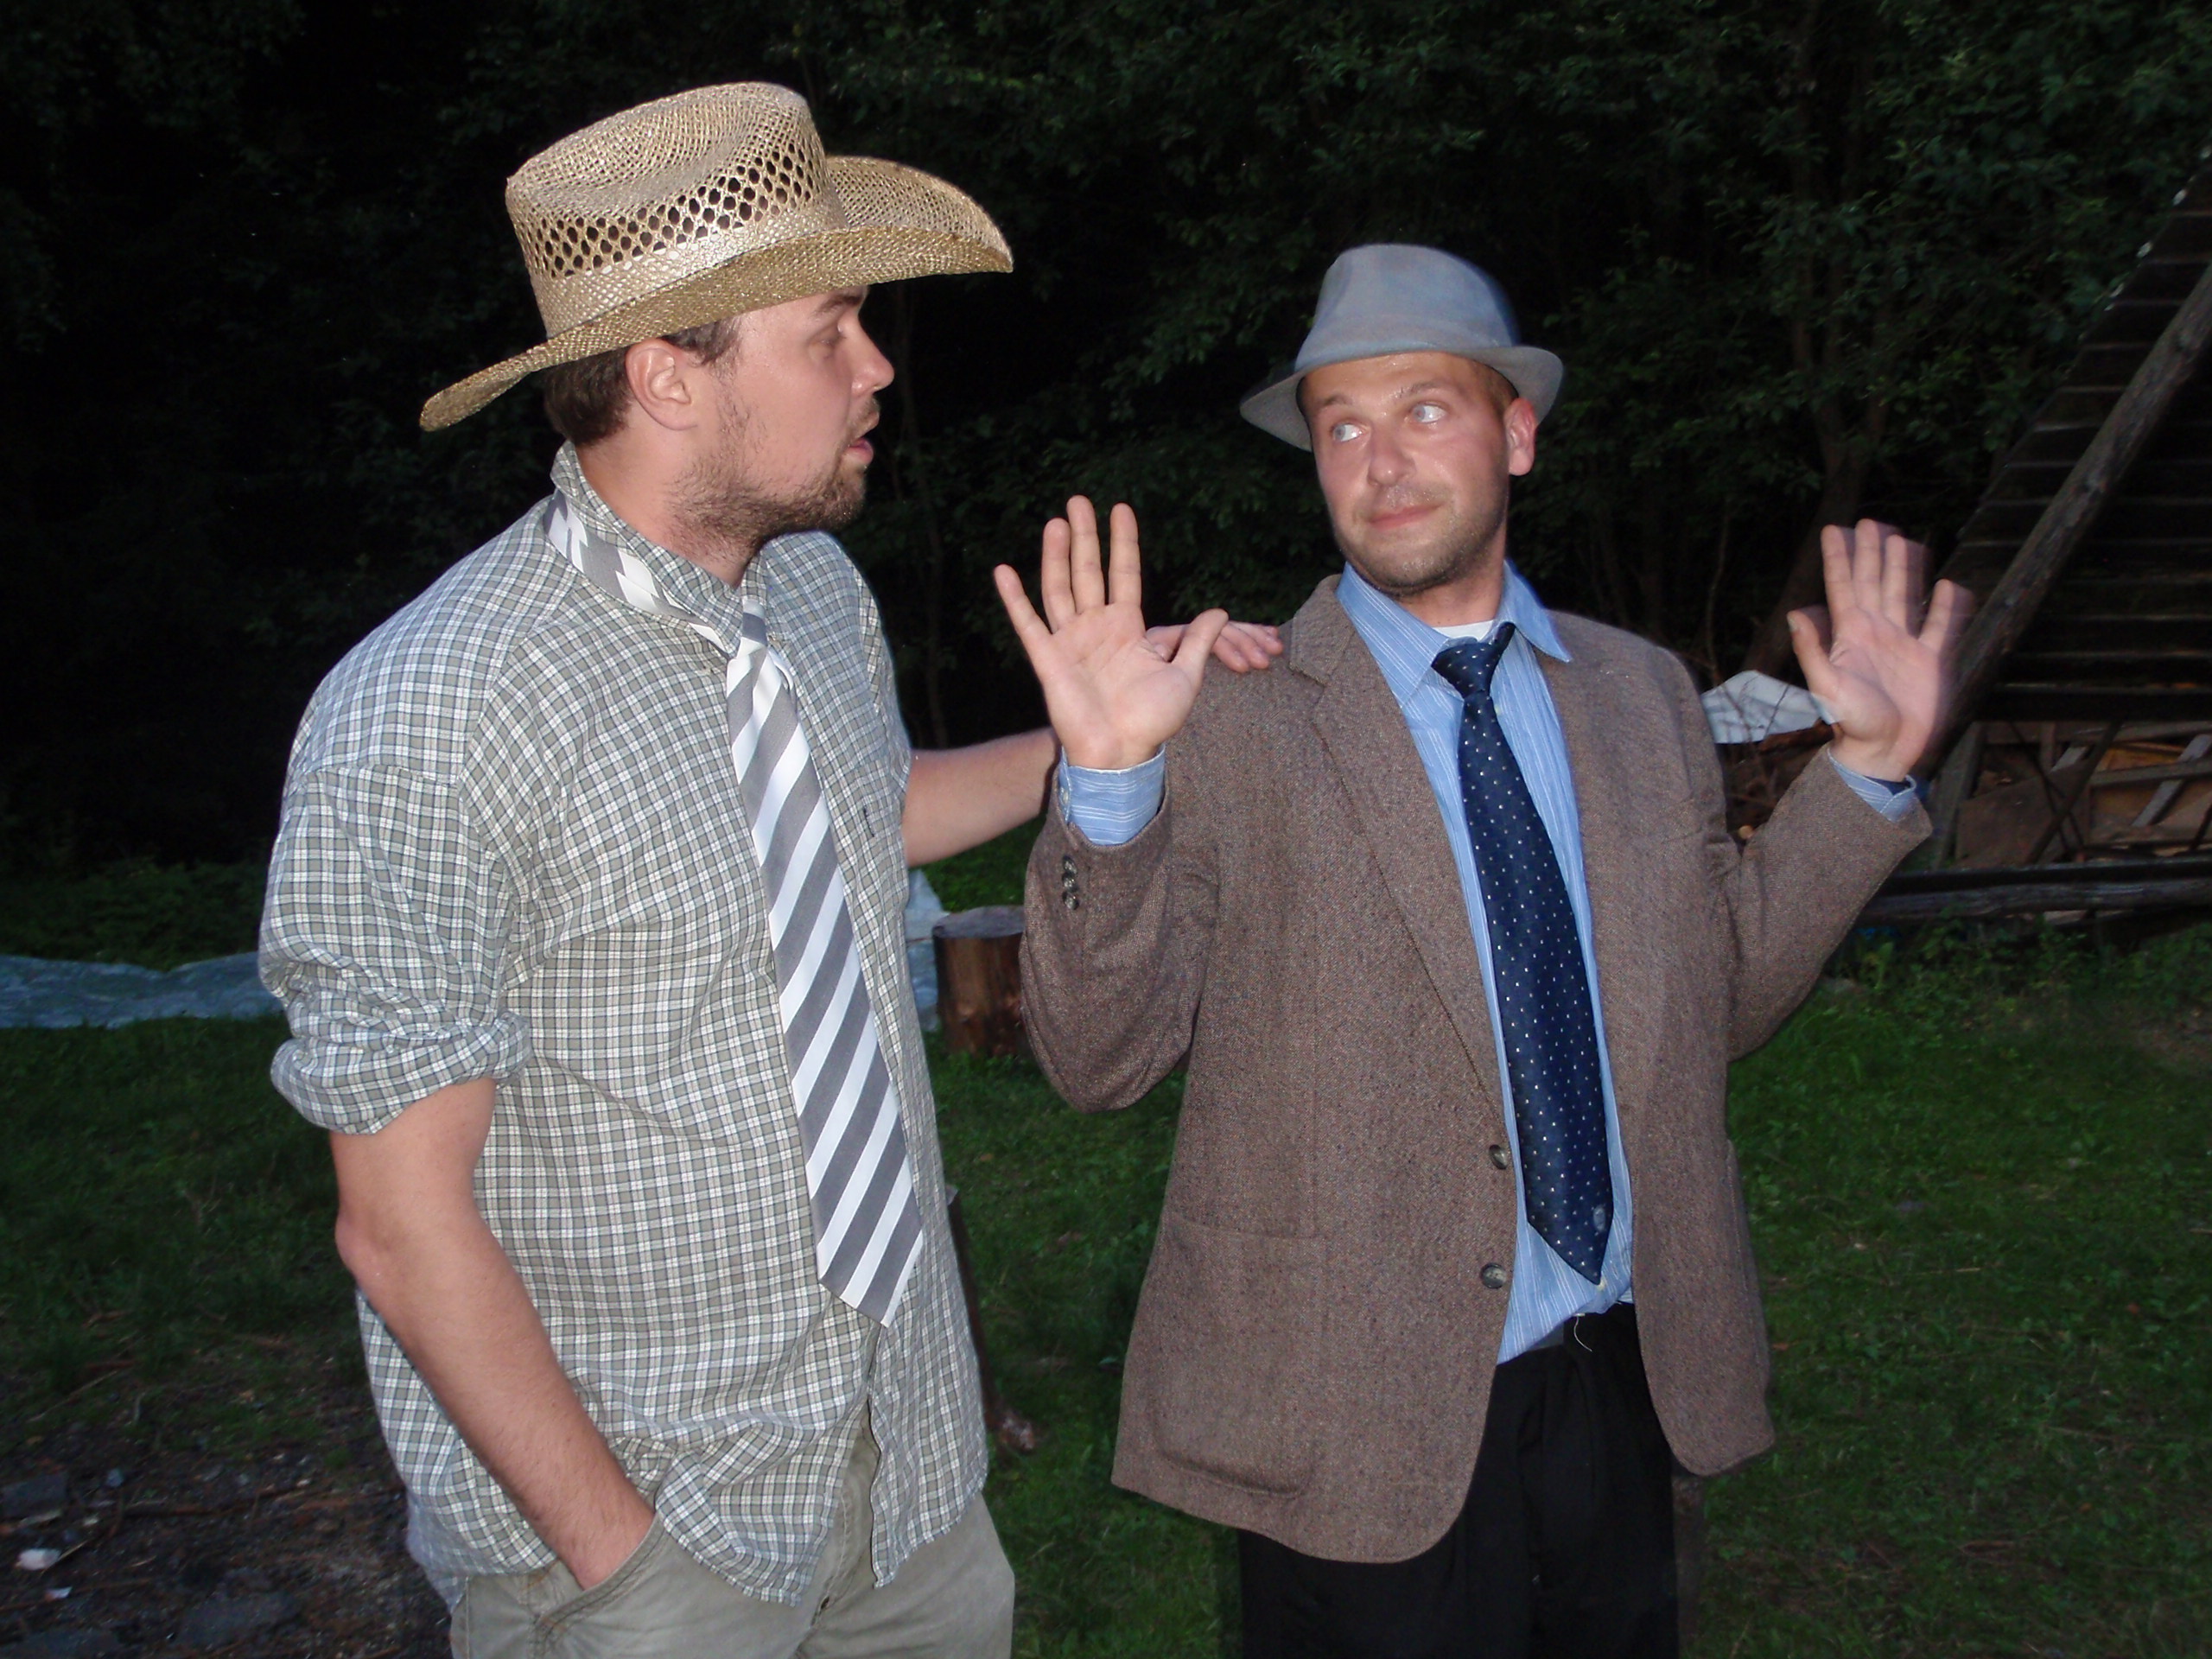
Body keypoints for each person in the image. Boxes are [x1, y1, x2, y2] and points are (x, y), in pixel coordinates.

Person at [259, 83, 1274, 1658]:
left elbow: (862, 812)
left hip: (906, 1478)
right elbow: (397, 1224)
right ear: (669, 374)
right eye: (831, 330)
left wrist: (1092, 744)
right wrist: (631, 1573)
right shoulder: (436, 708)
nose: (876, 367)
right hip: (656, 1529)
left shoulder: (808, 589)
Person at [1002, 244, 1967, 1657]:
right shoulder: (1226, 717)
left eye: (1424, 410)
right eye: (1341, 426)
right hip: (1352, 1407)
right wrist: (1106, 785)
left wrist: (1868, 773)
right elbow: (1096, 1061)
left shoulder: (1638, 694)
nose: (1381, 462)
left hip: (1621, 1371)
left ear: (1518, 434)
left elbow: (1715, 1003)